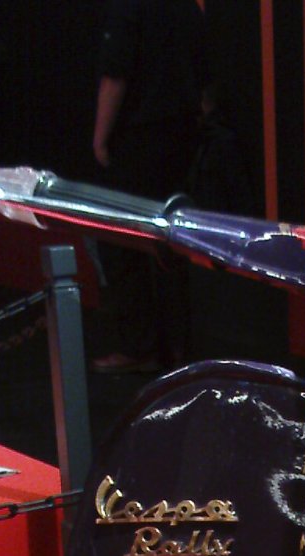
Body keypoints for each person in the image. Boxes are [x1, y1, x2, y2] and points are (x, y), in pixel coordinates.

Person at [90, 0, 209, 373]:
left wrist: (100, 137)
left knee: (123, 242)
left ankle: (139, 347)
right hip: (182, 134)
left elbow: (116, 75)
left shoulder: (128, 8)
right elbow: (204, 73)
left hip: (138, 138)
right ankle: (179, 347)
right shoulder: (188, 7)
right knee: (174, 241)